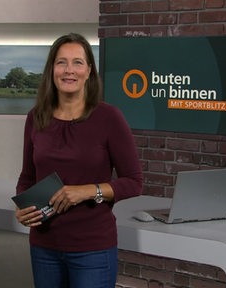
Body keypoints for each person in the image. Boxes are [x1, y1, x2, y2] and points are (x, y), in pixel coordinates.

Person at [14, 33, 143, 288]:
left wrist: (87, 191)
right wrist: (22, 207)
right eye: (61, 62)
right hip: (44, 246)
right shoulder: (36, 117)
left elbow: (134, 182)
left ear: (89, 70)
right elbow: (27, 176)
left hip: (92, 249)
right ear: (52, 69)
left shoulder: (109, 118)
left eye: (77, 63)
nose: (68, 70)